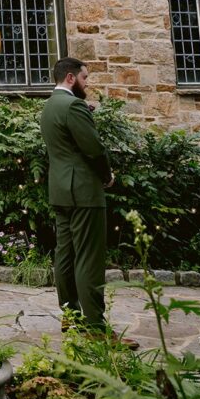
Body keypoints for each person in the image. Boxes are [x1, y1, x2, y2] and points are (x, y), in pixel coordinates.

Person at [39, 57, 134, 346]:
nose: (87, 83)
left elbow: (66, 139)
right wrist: (107, 176)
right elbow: (93, 149)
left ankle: (71, 315)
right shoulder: (74, 106)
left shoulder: (49, 107)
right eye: (84, 77)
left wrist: (85, 113)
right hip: (83, 191)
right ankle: (95, 327)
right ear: (70, 78)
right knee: (89, 258)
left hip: (60, 190)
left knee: (65, 255)